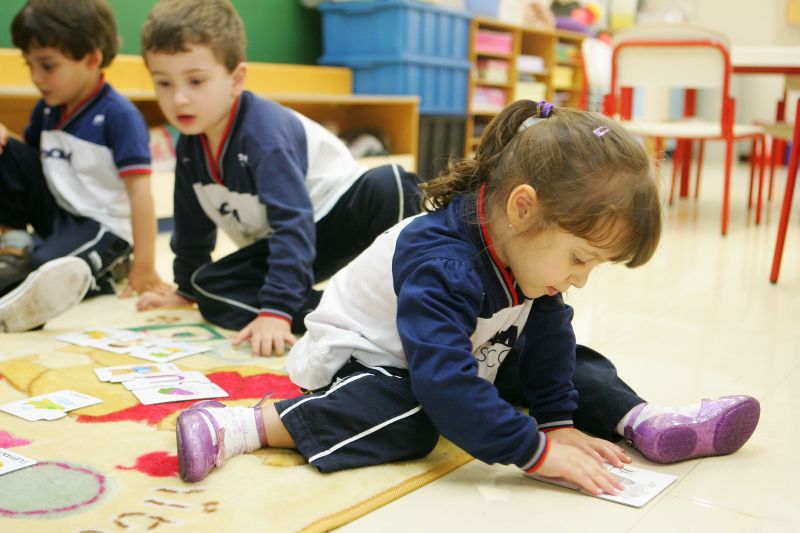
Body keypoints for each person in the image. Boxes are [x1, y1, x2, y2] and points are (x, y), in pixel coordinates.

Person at [173, 101, 760, 487]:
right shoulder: (441, 258)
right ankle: (245, 425)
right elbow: (440, 380)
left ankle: (643, 420)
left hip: (466, 350)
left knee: (567, 356)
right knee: (416, 416)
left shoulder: (527, 250)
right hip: (371, 360)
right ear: (523, 207)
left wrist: (556, 420)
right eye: (581, 258)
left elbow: (551, 336)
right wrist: (535, 449)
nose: (581, 276)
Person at [136, 0, 421, 356]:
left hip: (335, 217)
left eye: (195, 81)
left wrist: (277, 308)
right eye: (163, 83)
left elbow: (292, 222)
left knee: (390, 182)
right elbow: (192, 228)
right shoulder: (191, 146)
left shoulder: (263, 135)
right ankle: (341, 316)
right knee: (208, 288)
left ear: (236, 79)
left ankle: (416, 302)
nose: (178, 99)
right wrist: (186, 289)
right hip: (286, 246)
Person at [0, 0, 167, 332]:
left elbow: (140, 195)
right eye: (29, 65)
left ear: (92, 59)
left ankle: (108, 271)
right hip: (58, 215)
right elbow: (25, 164)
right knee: (4, 148)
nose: (36, 77)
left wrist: (146, 267)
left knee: (43, 270)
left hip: (102, 225)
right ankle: (15, 244)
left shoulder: (119, 116)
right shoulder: (47, 109)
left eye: (47, 66)